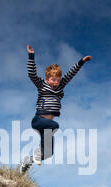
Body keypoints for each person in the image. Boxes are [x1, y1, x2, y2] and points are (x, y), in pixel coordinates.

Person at [19, 44, 92, 174]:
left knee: (48, 153)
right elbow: (31, 74)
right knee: (54, 125)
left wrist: (81, 62)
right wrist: (31, 56)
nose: (55, 82)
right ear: (47, 78)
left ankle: (27, 161)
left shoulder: (60, 86)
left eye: (58, 80)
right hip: (39, 120)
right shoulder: (41, 85)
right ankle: (38, 152)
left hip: (47, 127)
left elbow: (71, 74)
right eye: (53, 80)